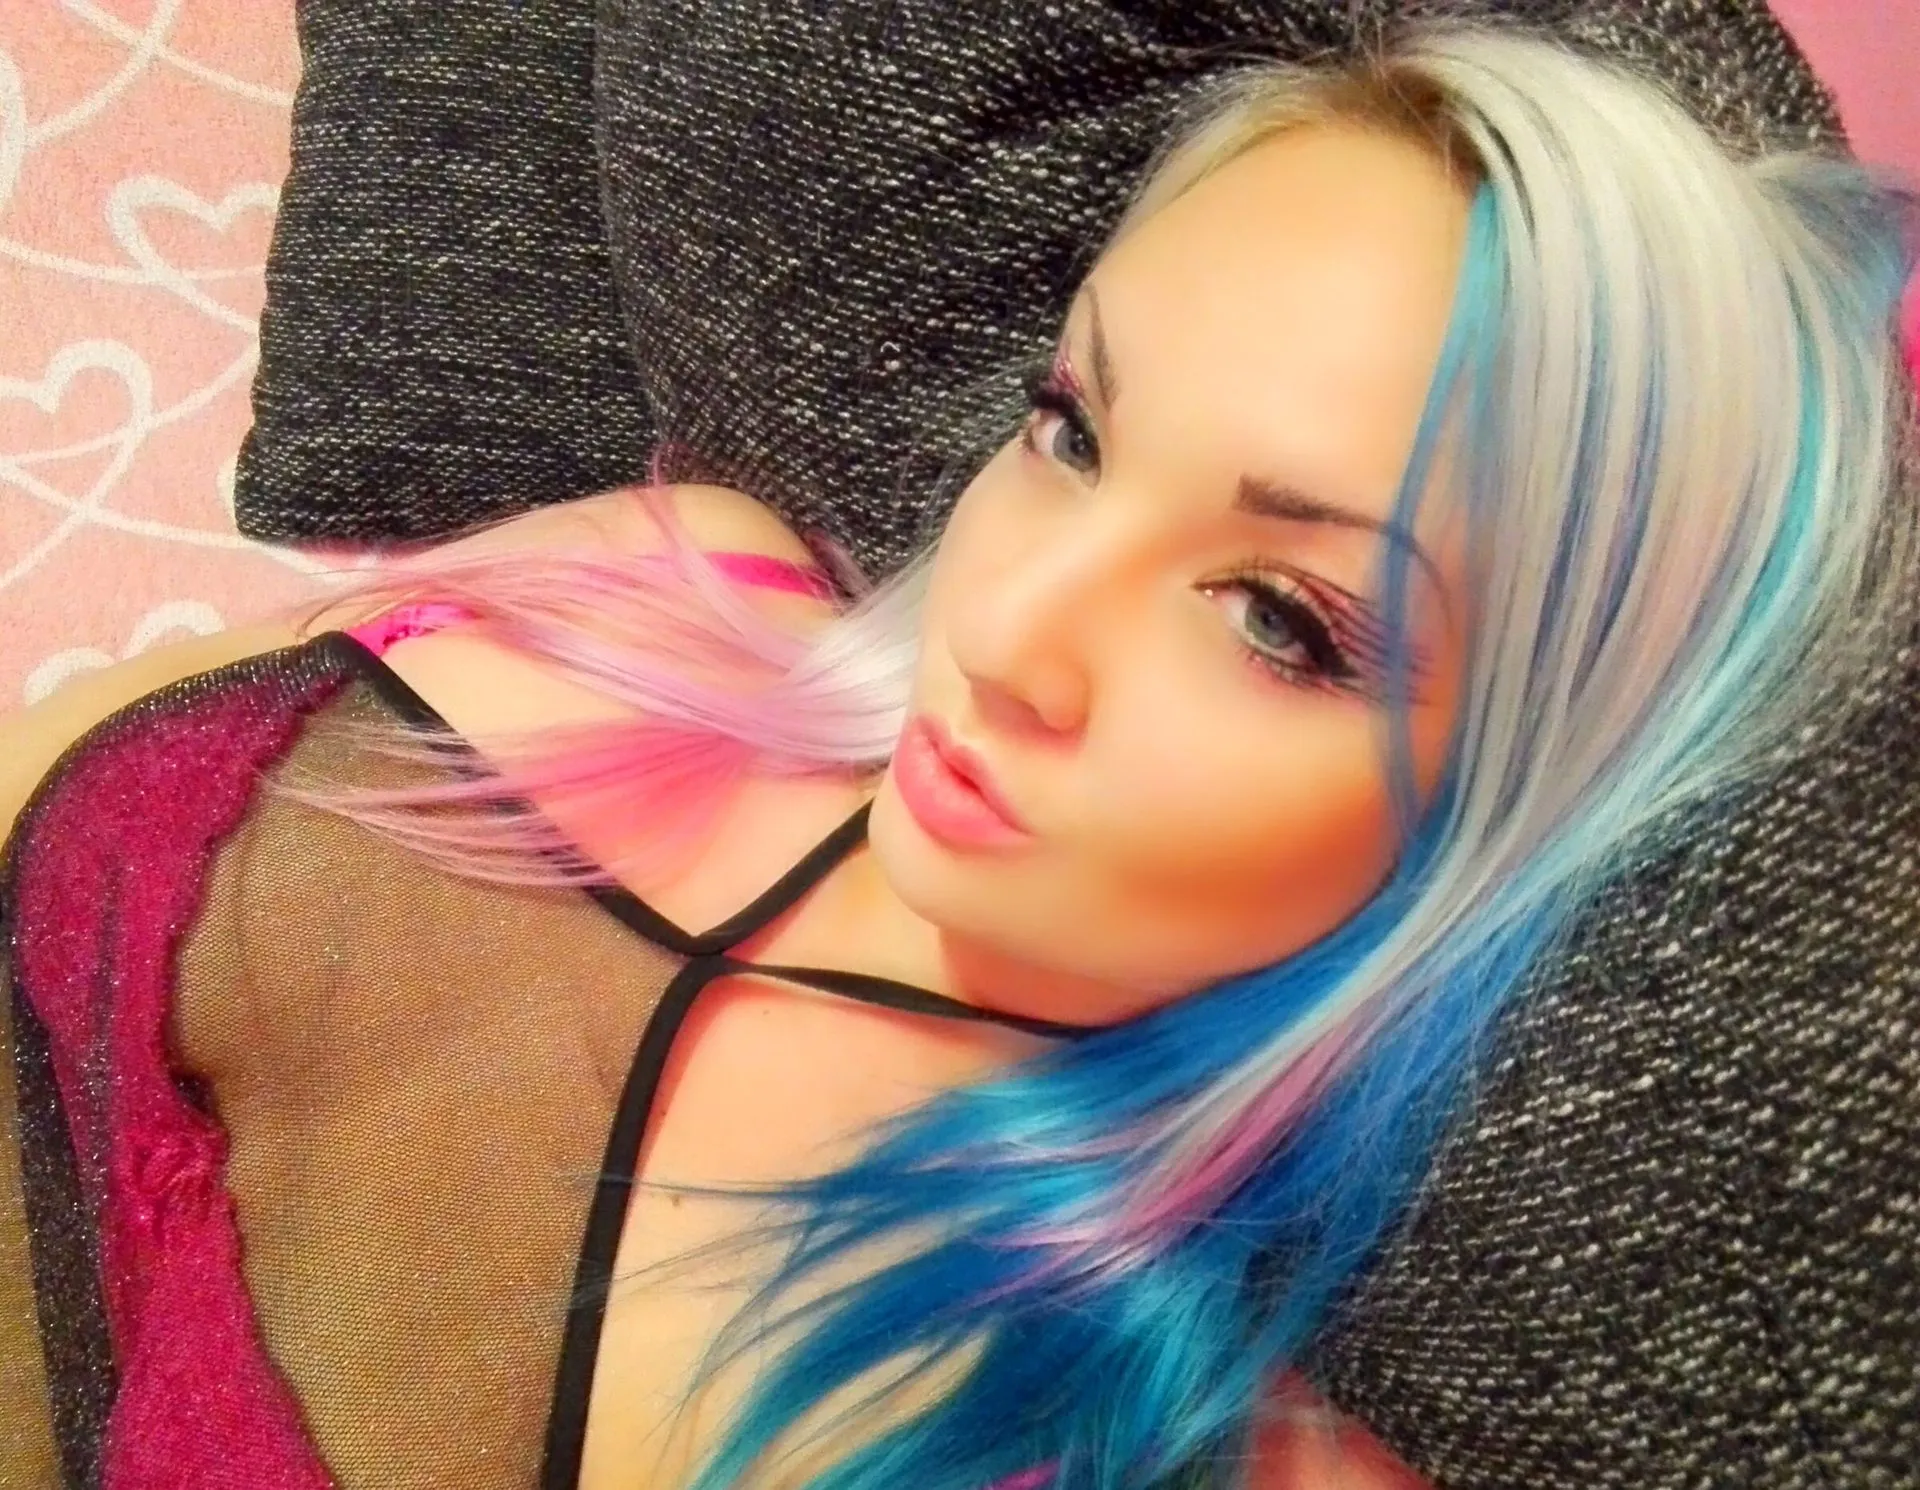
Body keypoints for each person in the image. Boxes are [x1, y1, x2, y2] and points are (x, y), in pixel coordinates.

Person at [1, 20, 1914, 1490]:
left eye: (1279, 619)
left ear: (1525, 803)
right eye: (1073, 427)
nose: (1007, 629)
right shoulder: (687, 573)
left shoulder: (1133, 1415)